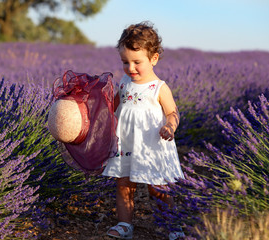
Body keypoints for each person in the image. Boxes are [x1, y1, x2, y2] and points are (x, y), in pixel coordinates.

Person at [102, 21, 185, 240]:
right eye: (125, 62)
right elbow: (114, 105)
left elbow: (172, 112)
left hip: (151, 143)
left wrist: (170, 126)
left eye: (137, 62)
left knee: (157, 187)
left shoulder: (159, 87)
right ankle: (124, 225)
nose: (130, 68)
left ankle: (172, 225)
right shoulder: (124, 81)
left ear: (154, 59)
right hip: (127, 141)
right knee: (124, 183)